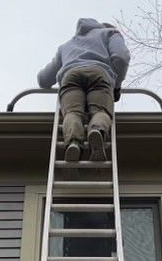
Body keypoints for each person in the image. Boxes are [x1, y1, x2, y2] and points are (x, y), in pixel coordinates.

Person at [37, 17, 130, 162]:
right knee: (100, 111)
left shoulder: (66, 46)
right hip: (99, 73)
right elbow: (121, 58)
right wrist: (116, 85)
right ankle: (97, 130)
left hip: (70, 75)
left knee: (72, 112)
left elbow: (44, 79)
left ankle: (73, 143)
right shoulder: (110, 33)